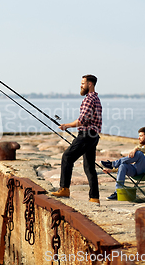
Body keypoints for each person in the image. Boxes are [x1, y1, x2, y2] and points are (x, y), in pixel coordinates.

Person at [51, 74, 102, 203]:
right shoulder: (96, 99)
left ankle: (64, 189)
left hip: (86, 135)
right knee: (89, 167)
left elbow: (83, 120)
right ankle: (94, 198)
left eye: (83, 83)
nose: (81, 85)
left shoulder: (89, 99)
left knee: (67, 157)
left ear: (90, 84)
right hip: (93, 136)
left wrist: (66, 125)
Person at [101, 127, 145, 200]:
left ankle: (113, 163)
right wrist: (112, 170)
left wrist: (137, 149)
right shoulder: (140, 147)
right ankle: (118, 192)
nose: (139, 138)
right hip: (136, 169)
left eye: (141, 136)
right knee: (123, 166)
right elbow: (127, 160)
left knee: (139, 154)